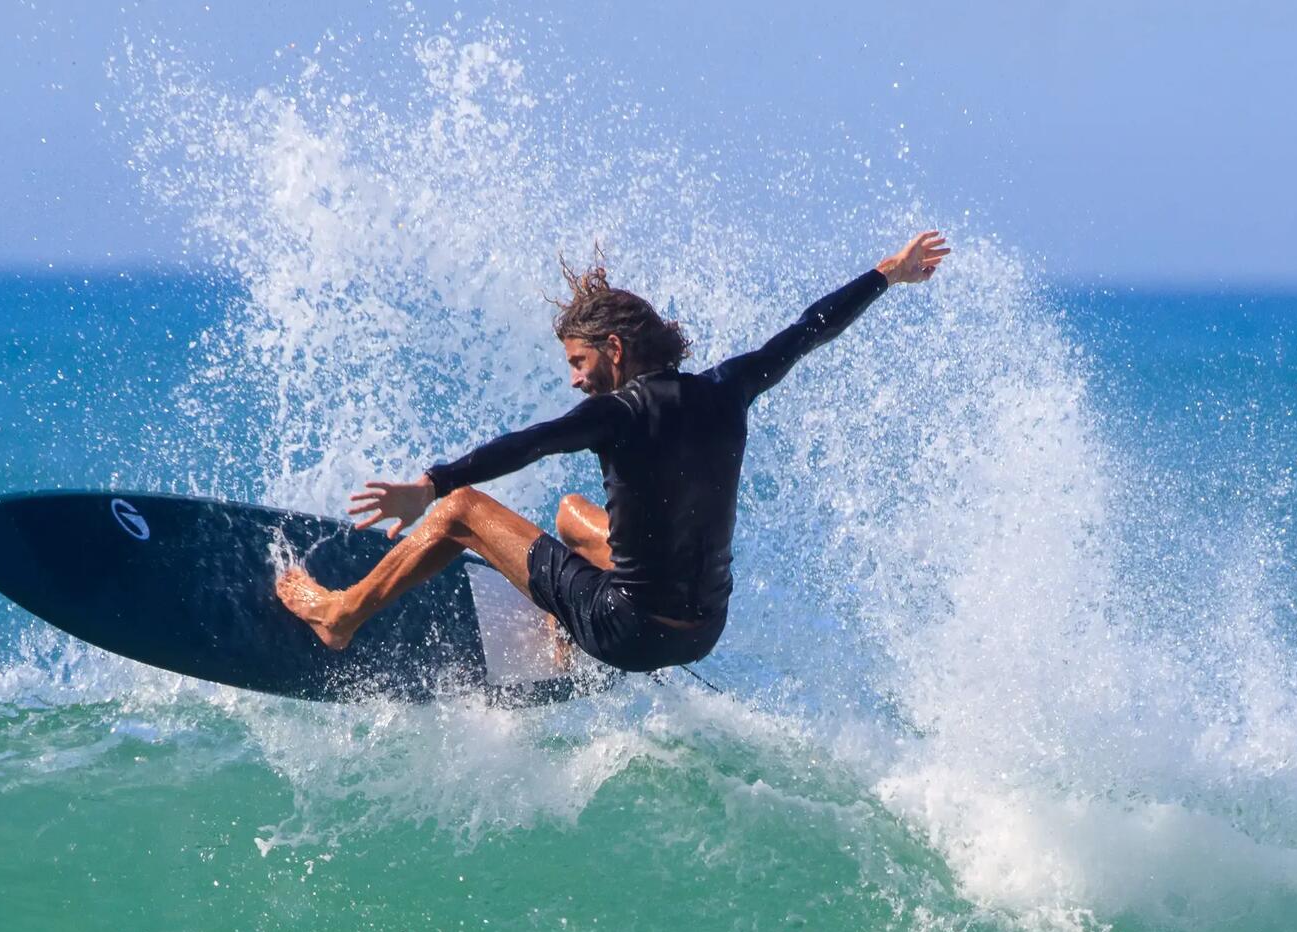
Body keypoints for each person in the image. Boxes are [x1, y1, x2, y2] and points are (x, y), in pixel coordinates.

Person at [276, 231, 949, 672]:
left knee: (459, 513)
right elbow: (808, 330)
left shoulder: (618, 414)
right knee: (572, 515)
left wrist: (431, 485)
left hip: (626, 628)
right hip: (701, 629)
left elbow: (529, 444)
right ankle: (560, 635)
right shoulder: (730, 387)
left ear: (615, 350)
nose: (575, 379)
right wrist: (887, 274)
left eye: (578, 362)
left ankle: (339, 615)